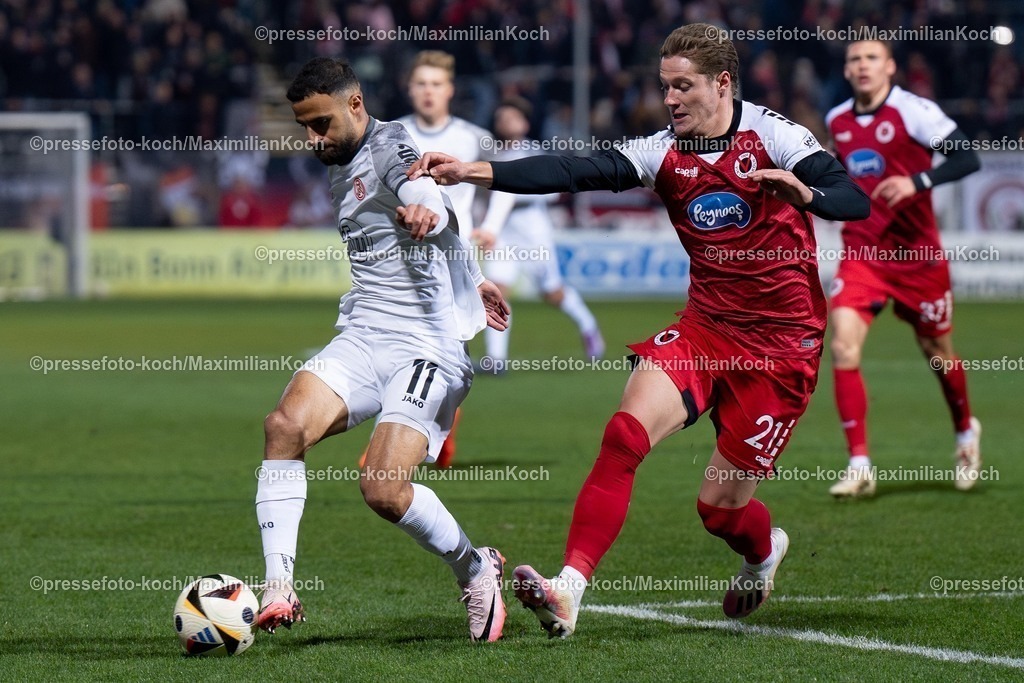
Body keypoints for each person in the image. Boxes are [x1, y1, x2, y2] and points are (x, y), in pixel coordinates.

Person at [410, 23, 869, 637]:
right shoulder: (662, 152)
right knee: (624, 434)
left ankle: (762, 553)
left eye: (683, 87)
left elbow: (854, 199)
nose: (670, 99)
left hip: (783, 348)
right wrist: (473, 171)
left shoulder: (777, 136)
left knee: (719, 512)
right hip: (706, 328)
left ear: (722, 83)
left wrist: (804, 190)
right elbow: (575, 170)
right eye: (665, 87)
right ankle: (568, 589)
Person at [255, 57, 511, 643]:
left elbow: (419, 183)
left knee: (384, 488)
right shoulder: (340, 163)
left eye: (321, 123)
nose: (314, 139)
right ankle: (279, 589)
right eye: (304, 128)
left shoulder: (389, 142)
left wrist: (427, 204)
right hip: (365, 335)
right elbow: (420, 245)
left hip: (425, 349)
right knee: (283, 427)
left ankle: (476, 570)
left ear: (355, 104)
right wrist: (468, 277)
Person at [824, 40, 982, 498]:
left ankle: (965, 434)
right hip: (863, 254)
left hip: (917, 258)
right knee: (843, 347)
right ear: (847, 71)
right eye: (854, 59)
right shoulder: (838, 120)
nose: (862, 66)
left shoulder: (914, 112)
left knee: (937, 352)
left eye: (871, 58)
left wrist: (918, 181)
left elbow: (967, 157)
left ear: (889, 67)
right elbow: (843, 176)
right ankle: (859, 465)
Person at [472, 98, 605, 372]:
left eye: (512, 117)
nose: (505, 122)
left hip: (533, 232)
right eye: (502, 118)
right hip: (504, 233)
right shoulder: (494, 156)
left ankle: (588, 327)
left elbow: (553, 191)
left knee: (552, 292)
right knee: (497, 290)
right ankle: (496, 360)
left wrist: (512, 191)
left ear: (524, 123)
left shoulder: (535, 153)